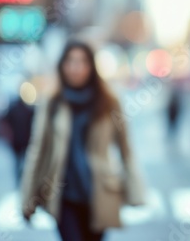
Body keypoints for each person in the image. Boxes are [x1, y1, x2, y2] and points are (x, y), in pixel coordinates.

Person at [20, 40, 145, 241]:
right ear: (62, 66)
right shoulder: (53, 103)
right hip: (63, 195)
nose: (75, 68)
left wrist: (136, 191)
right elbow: (37, 150)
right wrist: (27, 199)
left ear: (91, 67)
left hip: (99, 193)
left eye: (82, 62)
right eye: (70, 62)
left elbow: (125, 148)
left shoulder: (109, 102)